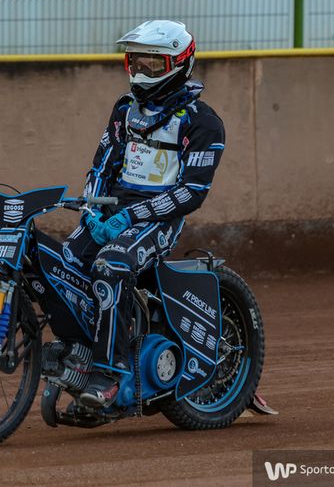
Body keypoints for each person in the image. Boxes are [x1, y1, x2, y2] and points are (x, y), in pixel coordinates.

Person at [60, 20, 226, 408]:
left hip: (158, 221)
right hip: (110, 211)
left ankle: (111, 373)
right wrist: (91, 210)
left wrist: (132, 217)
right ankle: (79, 354)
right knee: (65, 262)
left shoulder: (203, 121)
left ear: (180, 63)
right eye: (135, 62)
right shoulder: (124, 109)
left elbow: (192, 192)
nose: (141, 71)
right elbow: (102, 165)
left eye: (153, 63)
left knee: (111, 265)